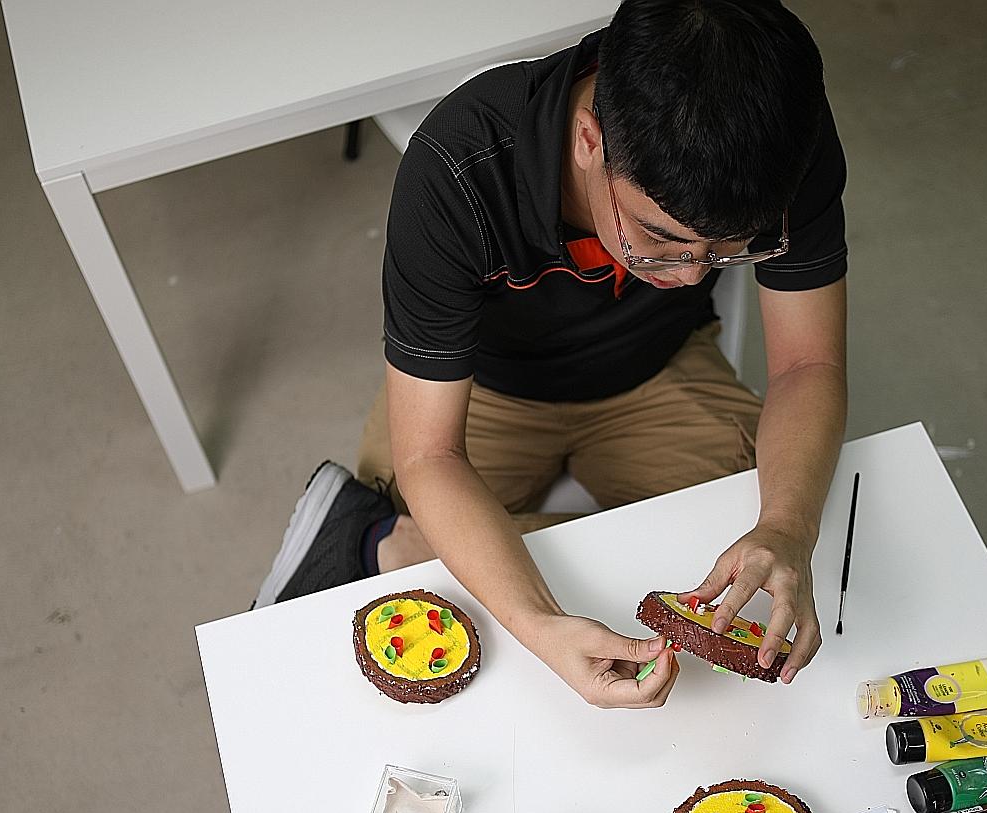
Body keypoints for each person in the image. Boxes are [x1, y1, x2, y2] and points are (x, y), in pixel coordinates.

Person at [254, 0, 847, 709]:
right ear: (588, 140)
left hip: (660, 368)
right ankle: (378, 538)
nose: (695, 277)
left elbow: (807, 366)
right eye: (659, 240)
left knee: (753, 568)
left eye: (727, 248)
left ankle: (421, 546)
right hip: (484, 392)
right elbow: (431, 455)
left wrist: (786, 525)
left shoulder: (782, 140)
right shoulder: (458, 166)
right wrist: (539, 624)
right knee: (427, 599)